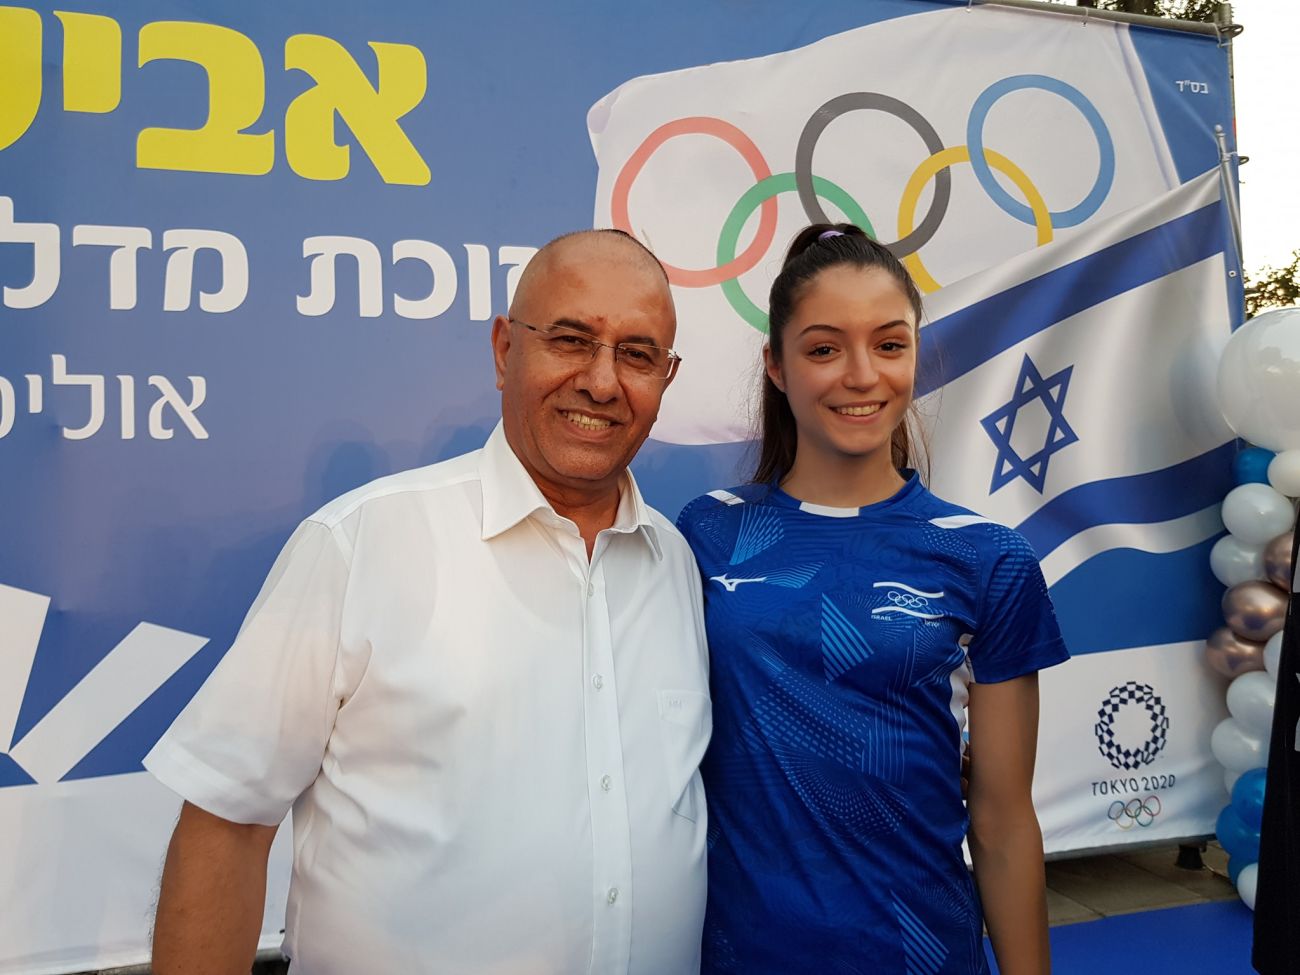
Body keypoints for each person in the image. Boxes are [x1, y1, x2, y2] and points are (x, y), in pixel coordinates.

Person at [144, 229, 712, 975]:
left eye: (636, 354)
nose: (602, 382)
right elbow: (227, 825)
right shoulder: (360, 542)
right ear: (504, 349)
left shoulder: (677, 564)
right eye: (571, 340)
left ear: (667, 377)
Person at [675, 224, 1069, 975]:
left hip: (920, 951)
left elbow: (1002, 820)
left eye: (889, 344)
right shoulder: (708, 531)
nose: (862, 375)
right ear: (777, 365)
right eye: (824, 349)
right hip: (743, 953)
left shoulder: (987, 556)